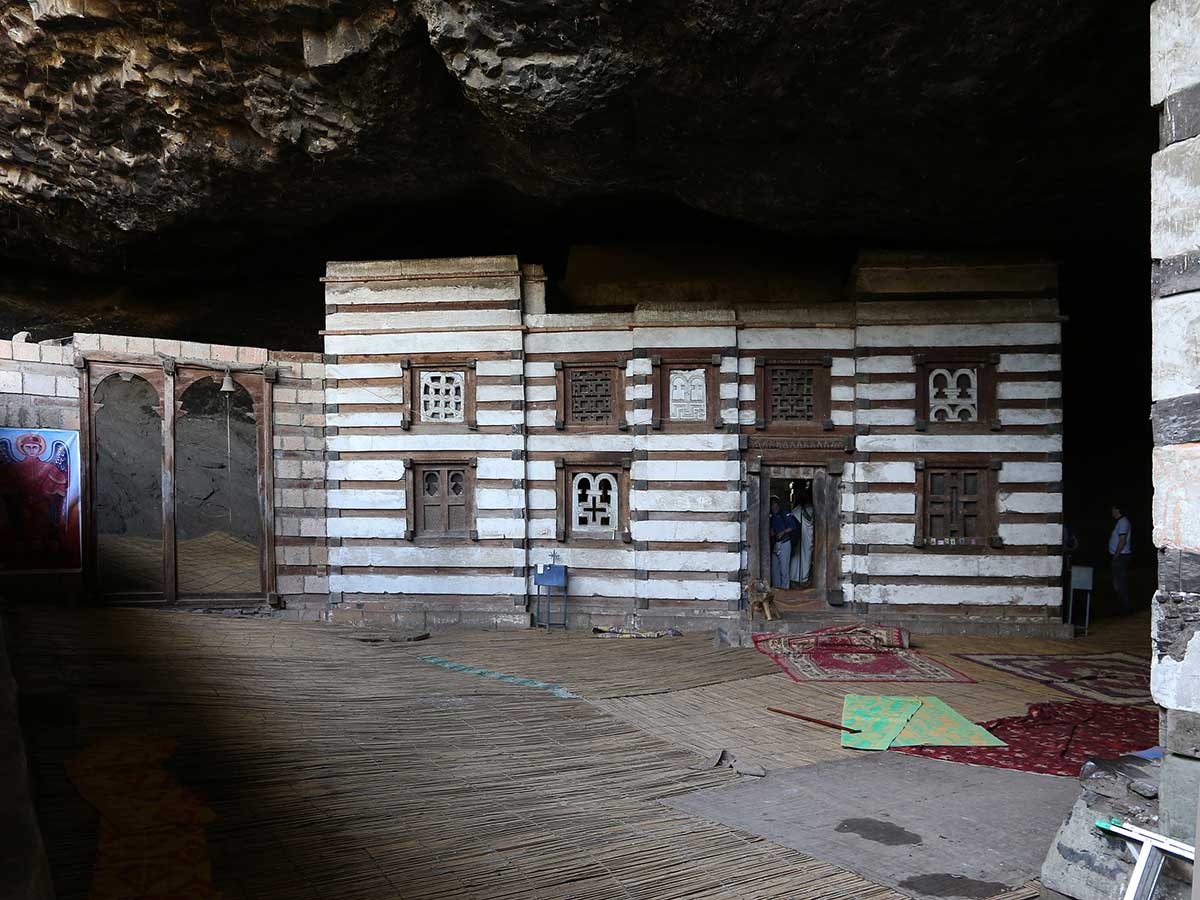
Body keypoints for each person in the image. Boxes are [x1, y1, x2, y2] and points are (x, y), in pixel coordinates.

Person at [768, 496, 799, 590]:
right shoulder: (770, 517)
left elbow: (793, 526)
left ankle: (785, 590)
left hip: (785, 543)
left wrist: (783, 532)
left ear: (778, 504)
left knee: (784, 569)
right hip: (775, 545)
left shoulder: (784, 514)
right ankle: (777, 590)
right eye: (771, 505)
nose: (773, 507)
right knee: (775, 569)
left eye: (775, 504)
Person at [788, 480, 815, 586]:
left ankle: (804, 578)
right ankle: (794, 577)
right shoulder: (796, 509)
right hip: (798, 536)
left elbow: (809, 519)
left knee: (806, 555)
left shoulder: (810, 508)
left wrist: (803, 510)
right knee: (796, 556)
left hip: (807, 535)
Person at [1108, 504, 1132, 614]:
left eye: (1113, 509)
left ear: (1118, 510)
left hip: (1121, 556)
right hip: (1119, 556)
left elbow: (1122, 540)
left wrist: (1116, 555)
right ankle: (1121, 607)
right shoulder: (1121, 522)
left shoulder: (1123, 522)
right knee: (1117, 582)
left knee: (1120, 583)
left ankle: (1124, 609)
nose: (1112, 512)